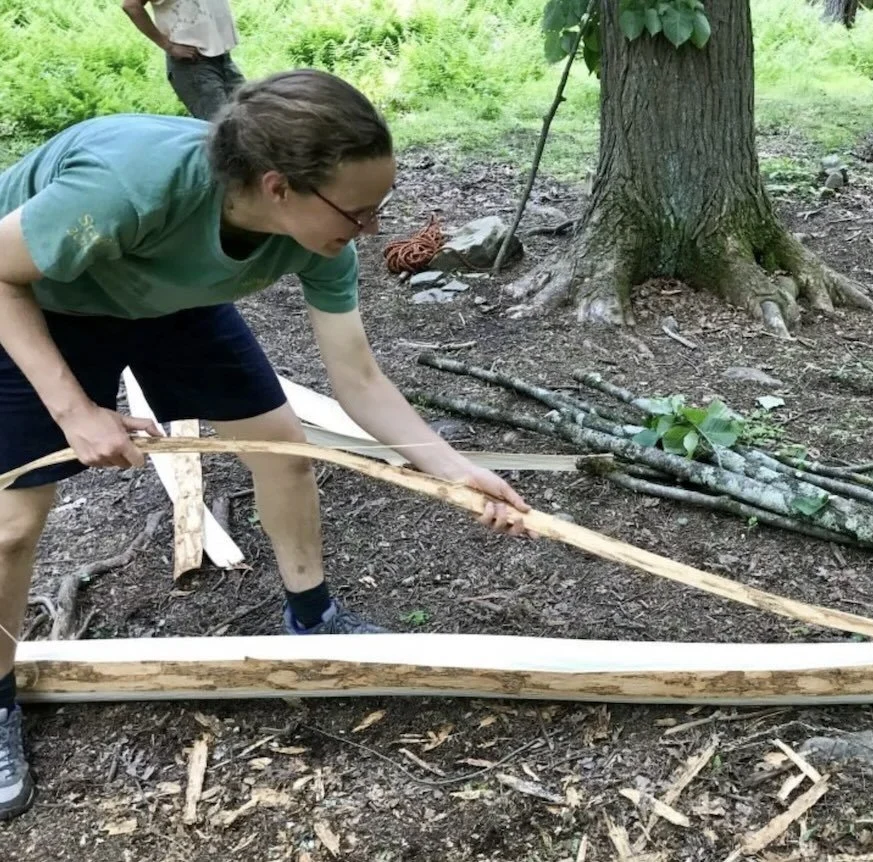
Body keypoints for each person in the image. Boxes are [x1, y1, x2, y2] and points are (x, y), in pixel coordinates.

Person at [0, 69, 533, 820]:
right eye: (358, 211)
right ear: (278, 186)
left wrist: (454, 469)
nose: (371, 230)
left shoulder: (322, 242)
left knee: (282, 448)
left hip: (170, 303)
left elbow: (359, 377)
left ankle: (313, 615)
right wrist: (76, 409)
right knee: (12, 526)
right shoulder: (131, 186)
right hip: (37, 298)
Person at [121, 0, 244, 120]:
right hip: (193, 64)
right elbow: (131, 5)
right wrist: (169, 46)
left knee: (250, 115)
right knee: (223, 127)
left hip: (222, 56)